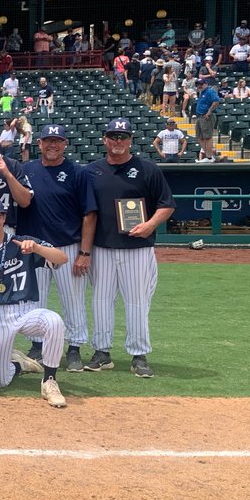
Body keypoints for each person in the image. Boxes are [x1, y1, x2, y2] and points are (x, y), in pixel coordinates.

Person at [82, 119, 176, 377]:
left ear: (131, 140)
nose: (118, 141)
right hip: (102, 247)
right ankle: (102, 352)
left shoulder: (147, 169)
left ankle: (139, 354)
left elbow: (166, 204)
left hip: (137, 248)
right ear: (105, 139)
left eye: (123, 136)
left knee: (137, 302)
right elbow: (87, 213)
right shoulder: (92, 171)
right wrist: (86, 251)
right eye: (113, 136)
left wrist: (150, 225)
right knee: (101, 302)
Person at [0, 196, 68, 408]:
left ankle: (49, 381)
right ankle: (19, 364)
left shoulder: (23, 243)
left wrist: (37, 248)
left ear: (4, 218)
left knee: (54, 321)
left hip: (27, 309)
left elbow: (61, 258)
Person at [16, 124, 94, 370]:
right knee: (34, 301)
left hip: (67, 246)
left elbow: (89, 214)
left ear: (65, 144)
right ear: (38, 144)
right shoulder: (26, 170)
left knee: (73, 300)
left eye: (57, 140)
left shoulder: (77, 172)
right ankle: (37, 346)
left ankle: (74, 348)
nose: (52, 145)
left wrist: (84, 252)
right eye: (48, 140)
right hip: (34, 247)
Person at [194, 77, 221, 162]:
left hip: (206, 116)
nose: (199, 86)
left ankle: (209, 157)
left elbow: (216, 101)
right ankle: (208, 156)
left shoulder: (209, 91)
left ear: (206, 84)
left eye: (201, 84)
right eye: (198, 84)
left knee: (207, 136)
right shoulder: (202, 93)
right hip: (199, 116)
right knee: (199, 137)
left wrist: (209, 112)